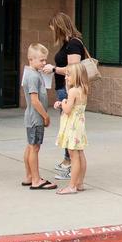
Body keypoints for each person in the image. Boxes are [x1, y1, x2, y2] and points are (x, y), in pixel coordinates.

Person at [49, 12, 87, 179]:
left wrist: (53, 69)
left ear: (59, 27)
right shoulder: (68, 44)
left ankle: (71, 165)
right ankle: (68, 161)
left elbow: (73, 69)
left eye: (53, 28)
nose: (52, 32)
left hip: (68, 90)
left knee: (70, 129)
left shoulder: (72, 45)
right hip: (64, 89)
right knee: (68, 128)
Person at [21, 43, 55, 190]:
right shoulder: (33, 76)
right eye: (41, 60)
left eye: (45, 60)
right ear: (31, 59)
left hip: (31, 117)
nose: (44, 63)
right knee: (35, 148)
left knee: (30, 146)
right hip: (35, 118)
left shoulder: (29, 73)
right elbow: (34, 100)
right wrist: (45, 116)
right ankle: (36, 179)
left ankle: (29, 176)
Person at [53, 63, 90, 195]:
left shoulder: (73, 91)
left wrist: (62, 102)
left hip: (72, 127)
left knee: (74, 156)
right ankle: (80, 183)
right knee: (80, 154)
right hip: (79, 126)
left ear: (77, 76)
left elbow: (68, 110)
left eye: (69, 75)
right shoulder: (83, 89)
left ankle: (72, 186)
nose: (66, 78)